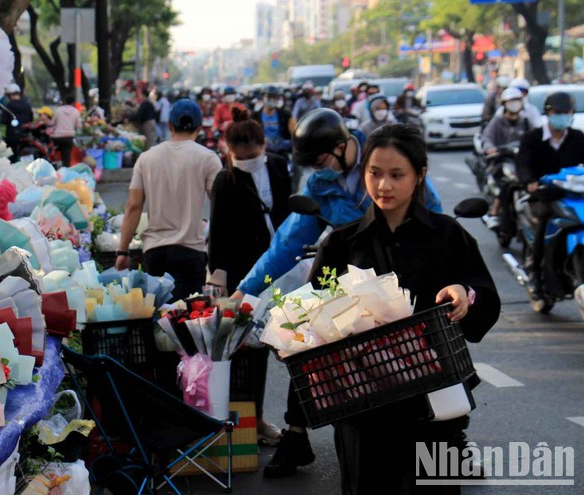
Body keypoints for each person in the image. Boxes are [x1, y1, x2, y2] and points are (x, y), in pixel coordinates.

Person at [268, 123, 500, 489]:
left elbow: (485, 298)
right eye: (374, 173)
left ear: (419, 175)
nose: (384, 186)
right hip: (363, 410)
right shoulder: (342, 244)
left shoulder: (448, 235)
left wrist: (463, 294)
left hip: (435, 404)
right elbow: (307, 317)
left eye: (397, 175)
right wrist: (293, 340)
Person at [232, 109, 443, 300]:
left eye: (319, 163)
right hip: (361, 288)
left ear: (341, 147)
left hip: (410, 279)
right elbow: (288, 241)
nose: (382, 185)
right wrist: (246, 289)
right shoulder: (320, 186)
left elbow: (432, 218)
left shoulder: (386, 156)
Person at [207, 108, 291, 446]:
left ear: (264, 146)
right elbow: (219, 232)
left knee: (288, 345)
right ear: (229, 153)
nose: (247, 162)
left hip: (285, 268)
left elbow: (292, 214)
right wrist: (220, 276)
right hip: (246, 276)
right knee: (247, 350)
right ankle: (249, 420)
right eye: (240, 158)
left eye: (253, 156)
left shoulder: (278, 166)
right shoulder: (225, 180)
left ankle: (292, 426)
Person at [115, 99, 222, 301]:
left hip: (154, 253)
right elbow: (220, 206)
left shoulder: (147, 158)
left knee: (158, 317)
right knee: (187, 321)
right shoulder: (208, 158)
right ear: (199, 128)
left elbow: (133, 206)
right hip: (190, 251)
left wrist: (122, 251)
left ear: (170, 125)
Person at [515, 91, 584, 294]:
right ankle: (536, 273)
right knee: (544, 225)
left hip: (574, 196)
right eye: (558, 112)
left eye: (567, 112)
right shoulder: (533, 138)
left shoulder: (578, 138)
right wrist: (529, 182)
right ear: (548, 112)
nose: (563, 116)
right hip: (544, 196)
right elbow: (523, 164)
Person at [481, 87, 532, 233]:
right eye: (511, 101)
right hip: (502, 161)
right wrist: (491, 148)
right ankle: (494, 211)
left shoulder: (526, 122)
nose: (514, 104)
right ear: (504, 103)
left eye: (517, 101)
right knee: (507, 183)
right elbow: (487, 139)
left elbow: (536, 138)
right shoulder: (497, 122)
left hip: (522, 162)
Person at [251, 86, 296, 158]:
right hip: (262, 153)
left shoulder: (285, 115)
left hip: (283, 151)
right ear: (263, 98)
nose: (272, 100)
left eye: (274, 97)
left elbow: (293, 134)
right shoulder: (255, 116)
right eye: (269, 97)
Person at [0, 83, 33, 161]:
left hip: (12, 137)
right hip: (26, 136)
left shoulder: (8, 106)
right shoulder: (27, 104)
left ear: (9, 95)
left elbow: (3, 121)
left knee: (12, 158)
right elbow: (31, 119)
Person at [47, 95, 82, 167]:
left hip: (57, 137)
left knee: (54, 153)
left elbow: (52, 123)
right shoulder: (76, 112)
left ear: (65, 102)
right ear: (73, 103)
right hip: (69, 137)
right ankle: (65, 171)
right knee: (66, 157)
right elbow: (79, 126)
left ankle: (54, 166)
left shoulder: (58, 110)